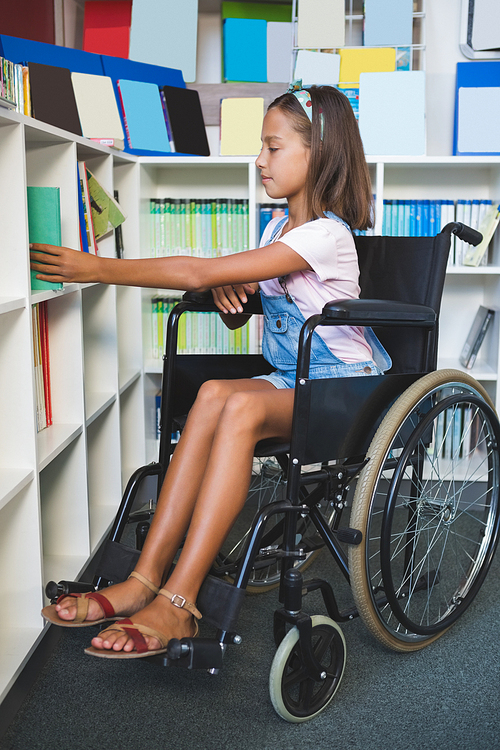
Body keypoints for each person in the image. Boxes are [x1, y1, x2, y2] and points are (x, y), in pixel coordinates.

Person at [31, 84, 390, 659]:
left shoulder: (326, 235)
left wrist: (97, 267)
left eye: (273, 148)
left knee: (240, 403)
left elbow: (198, 270)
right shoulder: (277, 233)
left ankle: (180, 602)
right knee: (213, 394)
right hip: (293, 377)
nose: (260, 160)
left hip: (345, 387)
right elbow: (241, 307)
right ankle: (143, 579)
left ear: (318, 155)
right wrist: (230, 293)